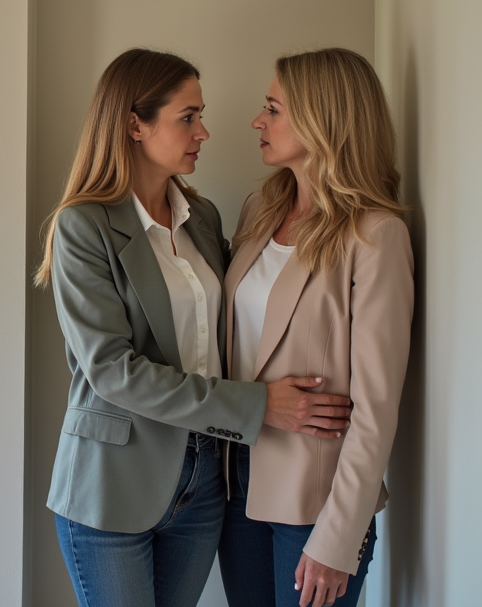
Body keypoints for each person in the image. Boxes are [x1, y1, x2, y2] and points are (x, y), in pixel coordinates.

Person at [35, 48, 354, 607]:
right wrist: (258, 406)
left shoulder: (202, 218)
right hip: (112, 481)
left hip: (206, 482)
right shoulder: (84, 225)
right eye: (188, 117)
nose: (204, 132)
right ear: (135, 123)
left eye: (199, 115)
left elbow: (249, 317)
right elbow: (113, 372)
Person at [217, 48, 414, 607]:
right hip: (238, 487)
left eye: (273, 109)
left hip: (317, 505)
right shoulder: (259, 209)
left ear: (323, 121)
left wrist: (339, 536)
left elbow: (377, 408)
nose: (259, 121)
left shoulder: (376, 236)